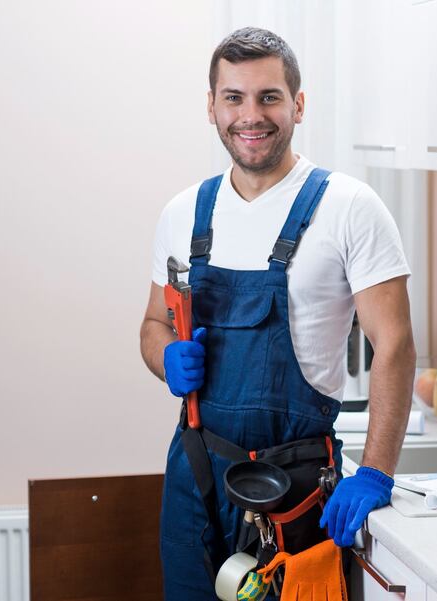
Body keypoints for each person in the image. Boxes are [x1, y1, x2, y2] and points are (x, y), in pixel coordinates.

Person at [139, 27, 415, 599]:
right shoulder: (183, 212)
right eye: (233, 97)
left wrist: (376, 470)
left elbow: (394, 345)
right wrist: (165, 356)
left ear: (298, 104)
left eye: (269, 96)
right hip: (197, 473)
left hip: (295, 488)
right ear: (211, 106)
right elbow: (152, 323)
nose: (251, 115)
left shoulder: (349, 208)